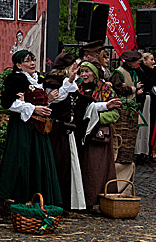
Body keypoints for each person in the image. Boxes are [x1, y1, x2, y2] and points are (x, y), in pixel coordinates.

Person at [0, 49, 61, 213]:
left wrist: (47, 102)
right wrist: (32, 108)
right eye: (27, 60)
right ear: (18, 65)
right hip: (22, 128)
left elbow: (43, 102)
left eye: (32, 59)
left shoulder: (38, 79)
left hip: (37, 129)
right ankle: (3, 202)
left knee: (37, 163)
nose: (32, 63)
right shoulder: (16, 79)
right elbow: (8, 103)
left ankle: (36, 201)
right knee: (18, 162)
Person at [76, 62, 121, 210]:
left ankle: (99, 199)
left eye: (87, 71)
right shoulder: (78, 89)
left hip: (98, 136)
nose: (84, 75)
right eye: (82, 72)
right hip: (80, 135)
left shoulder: (106, 89)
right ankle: (83, 201)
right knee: (82, 168)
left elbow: (115, 113)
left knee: (97, 168)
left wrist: (94, 119)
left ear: (95, 73)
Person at [46, 52, 86, 210]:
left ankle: (65, 202)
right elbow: (57, 98)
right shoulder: (53, 81)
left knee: (68, 167)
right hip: (56, 130)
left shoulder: (73, 82)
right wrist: (69, 80)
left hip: (68, 130)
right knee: (57, 165)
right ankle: (54, 201)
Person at [110, 50, 142, 184]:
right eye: (136, 61)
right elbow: (116, 89)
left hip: (132, 107)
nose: (138, 63)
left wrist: (134, 88)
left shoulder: (133, 72)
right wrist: (130, 89)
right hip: (123, 109)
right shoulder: (119, 73)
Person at [134, 51, 156, 162]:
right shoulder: (138, 71)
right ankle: (137, 151)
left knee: (146, 126)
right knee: (140, 125)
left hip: (147, 98)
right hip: (140, 99)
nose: (153, 62)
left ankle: (144, 151)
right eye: (151, 59)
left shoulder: (151, 71)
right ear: (144, 60)